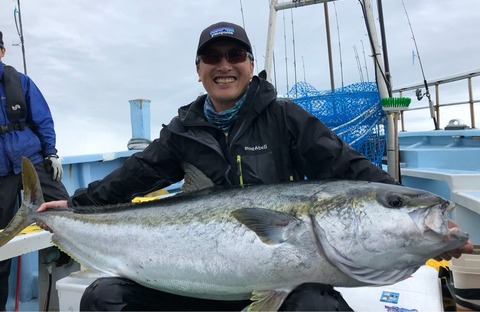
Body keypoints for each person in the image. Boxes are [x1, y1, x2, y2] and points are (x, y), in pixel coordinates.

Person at [38, 21, 473, 311]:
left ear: (250, 65)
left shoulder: (284, 117)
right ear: (199, 70)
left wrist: (419, 228)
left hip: (279, 281)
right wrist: (72, 206)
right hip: (194, 282)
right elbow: (133, 176)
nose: (224, 65)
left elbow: (352, 169)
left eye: (235, 55)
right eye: (213, 57)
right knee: (104, 296)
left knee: (318, 306)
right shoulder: (182, 130)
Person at [0, 31, 70, 311]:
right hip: (1, 172)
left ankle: (65, 256)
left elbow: (42, 118)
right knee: (2, 238)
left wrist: (51, 152)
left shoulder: (21, 83)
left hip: (32, 159)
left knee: (65, 209)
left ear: (2, 52)